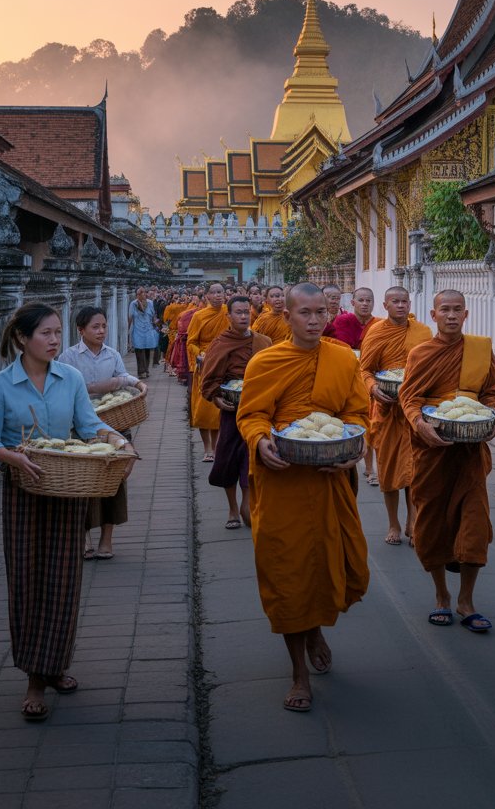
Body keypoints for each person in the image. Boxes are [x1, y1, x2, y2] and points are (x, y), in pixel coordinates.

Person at [0, 303, 137, 721]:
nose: (53, 341)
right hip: (24, 492)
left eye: (56, 333)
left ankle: (55, 665)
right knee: (28, 581)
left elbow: (88, 426)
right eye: (45, 333)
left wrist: (117, 441)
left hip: (68, 490)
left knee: (64, 582)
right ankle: (34, 677)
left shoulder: (71, 380)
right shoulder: (1, 384)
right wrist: (13, 459)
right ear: (21, 339)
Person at [237, 283, 370, 713]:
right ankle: (298, 672)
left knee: (333, 562)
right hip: (283, 481)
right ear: (287, 316)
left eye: (320, 313)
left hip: (329, 476)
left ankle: (314, 629)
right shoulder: (266, 360)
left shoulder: (341, 358)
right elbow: (252, 414)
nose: (314, 320)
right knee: (287, 570)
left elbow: (356, 413)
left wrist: (351, 453)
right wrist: (259, 442)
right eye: (305, 313)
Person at [398, 289, 495, 635]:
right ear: (434, 314)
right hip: (432, 451)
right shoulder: (421, 353)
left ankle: (467, 601)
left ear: (466, 314)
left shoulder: (480, 349)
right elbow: (409, 397)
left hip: (470, 452)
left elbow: (491, 393)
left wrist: (494, 414)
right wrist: (419, 424)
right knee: (433, 521)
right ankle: (442, 595)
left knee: (474, 523)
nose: (452, 315)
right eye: (446, 309)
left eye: (458, 310)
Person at [57, 305, 147, 560]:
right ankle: (84, 538)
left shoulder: (112, 354)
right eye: (95, 327)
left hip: (113, 424)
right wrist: (98, 387)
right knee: (82, 484)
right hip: (80, 429)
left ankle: (107, 540)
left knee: (114, 483)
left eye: (104, 326)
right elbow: (65, 390)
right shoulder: (69, 358)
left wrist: (137, 384)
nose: (101, 331)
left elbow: (124, 377)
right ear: (80, 330)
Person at [360, 287, 432, 546]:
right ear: (386, 304)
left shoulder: (423, 332)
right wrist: (374, 389)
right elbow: (365, 370)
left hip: (415, 411)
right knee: (390, 472)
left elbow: (430, 368)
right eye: (395, 302)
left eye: (404, 301)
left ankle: (413, 521)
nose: (401, 306)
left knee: (415, 470)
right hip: (388, 409)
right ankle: (393, 523)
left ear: (410, 303)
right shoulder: (376, 332)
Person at [200, 294, 272, 528]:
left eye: (246, 312)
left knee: (252, 458)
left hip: (258, 410)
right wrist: (218, 400)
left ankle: (248, 504)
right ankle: (232, 508)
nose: (243, 316)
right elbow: (209, 380)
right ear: (228, 315)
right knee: (228, 459)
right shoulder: (221, 343)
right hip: (232, 411)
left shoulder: (264, 341)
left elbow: (271, 373)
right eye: (238, 312)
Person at [187, 282, 227, 461]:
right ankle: (207, 449)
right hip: (204, 364)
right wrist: (200, 354)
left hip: (224, 363)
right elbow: (191, 342)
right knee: (204, 409)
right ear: (207, 296)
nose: (218, 295)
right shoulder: (199, 316)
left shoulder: (229, 313)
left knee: (219, 409)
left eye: (221, 292)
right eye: (214, 292)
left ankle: (218, 447)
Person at [128, 286, 160, 378]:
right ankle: (141, 371)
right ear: (137, 295)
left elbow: (153, 316)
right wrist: (128, 330)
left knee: (147, 350)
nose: (142, 294)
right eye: (140, 293)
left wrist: (156, 325)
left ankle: (146, 369)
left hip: (148, 330)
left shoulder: (150, 303)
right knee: (139, 351)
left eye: (143, 292)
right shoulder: (133, 304)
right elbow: (130, 318)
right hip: (138, 331)